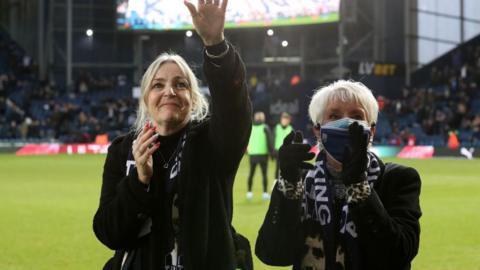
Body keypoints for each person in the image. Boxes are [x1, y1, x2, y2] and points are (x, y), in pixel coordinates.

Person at [93, 1, 253, 269]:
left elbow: (233, 103)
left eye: (181, 85)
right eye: (158, 85)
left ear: (193, 99)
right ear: (146, 98)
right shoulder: (123, 150)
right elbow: (109, 232)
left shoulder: (213, 141)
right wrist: (139, 180)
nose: (169, 91)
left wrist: (215, 44)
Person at [255, 80, 422, 270]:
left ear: (372, 130)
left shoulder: (398, 180)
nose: (345, 123)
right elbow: (272, 254)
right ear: (317, 130)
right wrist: (288, 186)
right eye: (334, 116)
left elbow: (398, 255)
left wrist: (358, 184)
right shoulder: (301, 182)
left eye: (356, 115)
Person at [246, 111, 274, 200]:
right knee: (264, 174)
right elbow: (270, 142)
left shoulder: (250, 128)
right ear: (263, 118)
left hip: (252, 154)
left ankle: (249, 193)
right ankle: (265, 193)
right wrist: (272, 153)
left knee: (251, 173)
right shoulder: (265, 127)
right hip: (263, 155)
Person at [273, 112, 293, 178]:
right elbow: (273, 139)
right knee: (277, 168)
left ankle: (286, 182)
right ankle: (275, 182)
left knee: (287, 168)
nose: (284, 121)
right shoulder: (277, 127)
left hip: (287, 152)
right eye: (283, 119)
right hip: (278, 151)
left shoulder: (290, 129)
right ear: (281, 120)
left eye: (286, 120)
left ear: (288, 121)